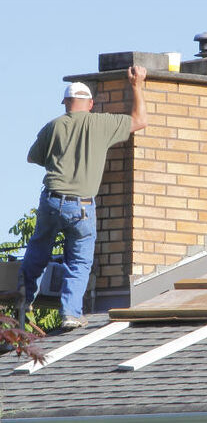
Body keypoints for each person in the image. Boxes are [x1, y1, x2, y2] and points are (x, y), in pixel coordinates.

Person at [19, 66, 148, 330]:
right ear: (90, 103)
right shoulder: (101, 123)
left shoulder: (53, 126)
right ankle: (70, 313)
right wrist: (137, 84)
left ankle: (24, 297)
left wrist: (58, 156)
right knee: (78, 261)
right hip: (82, 206)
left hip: (51, 200)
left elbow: (32, 157)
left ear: (66, 103)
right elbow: (140, 120)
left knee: (39, 250)